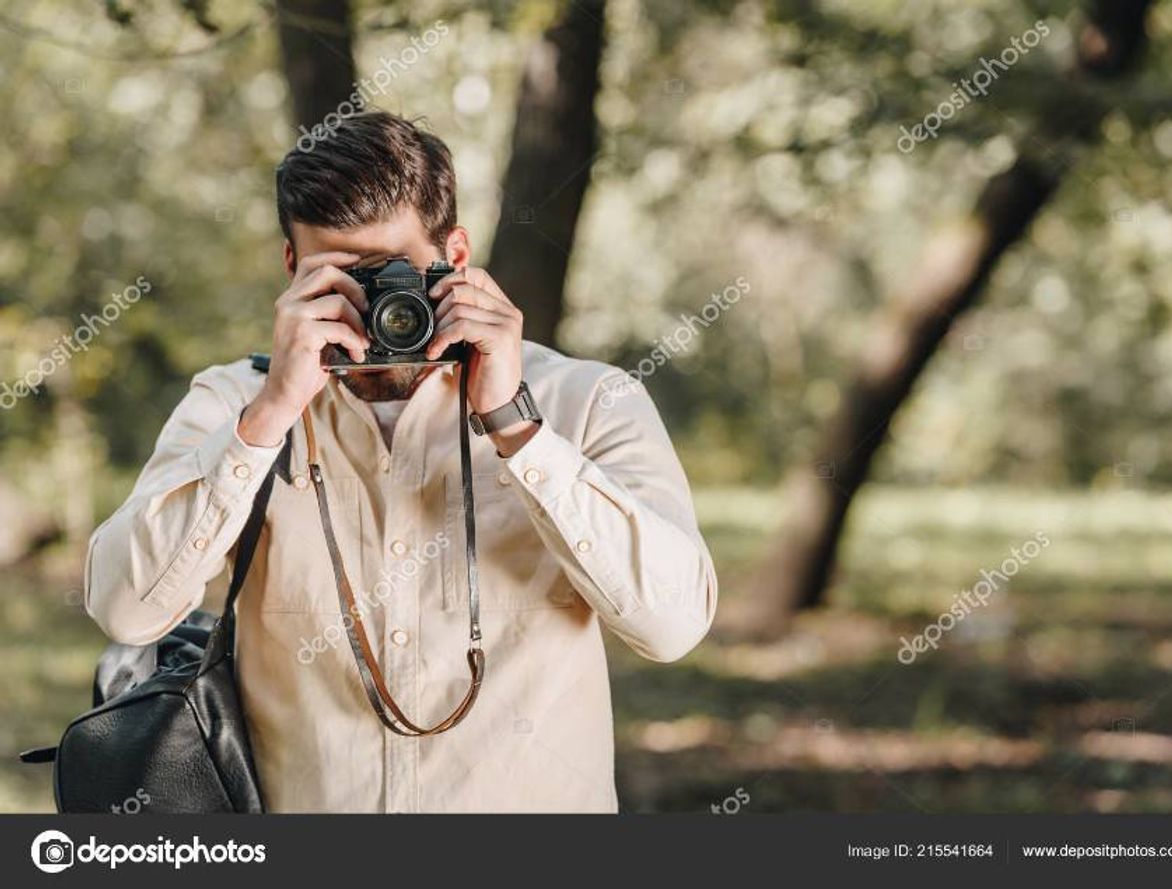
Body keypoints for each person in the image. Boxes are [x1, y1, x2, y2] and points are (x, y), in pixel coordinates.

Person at [84, 111, 717, 812]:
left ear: (457, 255)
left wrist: (517, 428)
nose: (376, 308)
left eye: (395, 275)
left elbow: (674, 625)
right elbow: (124, 608)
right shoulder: (235, 402)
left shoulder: (588, 401)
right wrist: (266, 419)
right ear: (291, 270)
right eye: (339, 281)